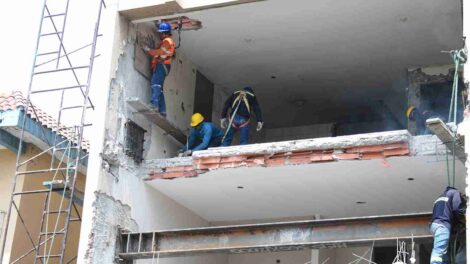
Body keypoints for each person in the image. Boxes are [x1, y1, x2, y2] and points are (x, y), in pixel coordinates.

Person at [143, 22, 175, 117]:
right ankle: (163, 110)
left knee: (155, 84)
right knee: (159, 88)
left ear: (165, 33)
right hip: (163, 65)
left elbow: (160, 52)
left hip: (162, 65)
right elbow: (159, 53)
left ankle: (154, 105)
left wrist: (148, 50)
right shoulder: (167, 41)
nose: (160, 35)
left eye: (161, 33)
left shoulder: (167, 41)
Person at [430, 186, 466, 264]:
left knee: (443, 253)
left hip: (435, 225)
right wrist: (463, 216)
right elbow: (457, 209)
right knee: (439, 251)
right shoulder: (455, 193)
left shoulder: (440, 197)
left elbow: (445, 212)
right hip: (443, 225)